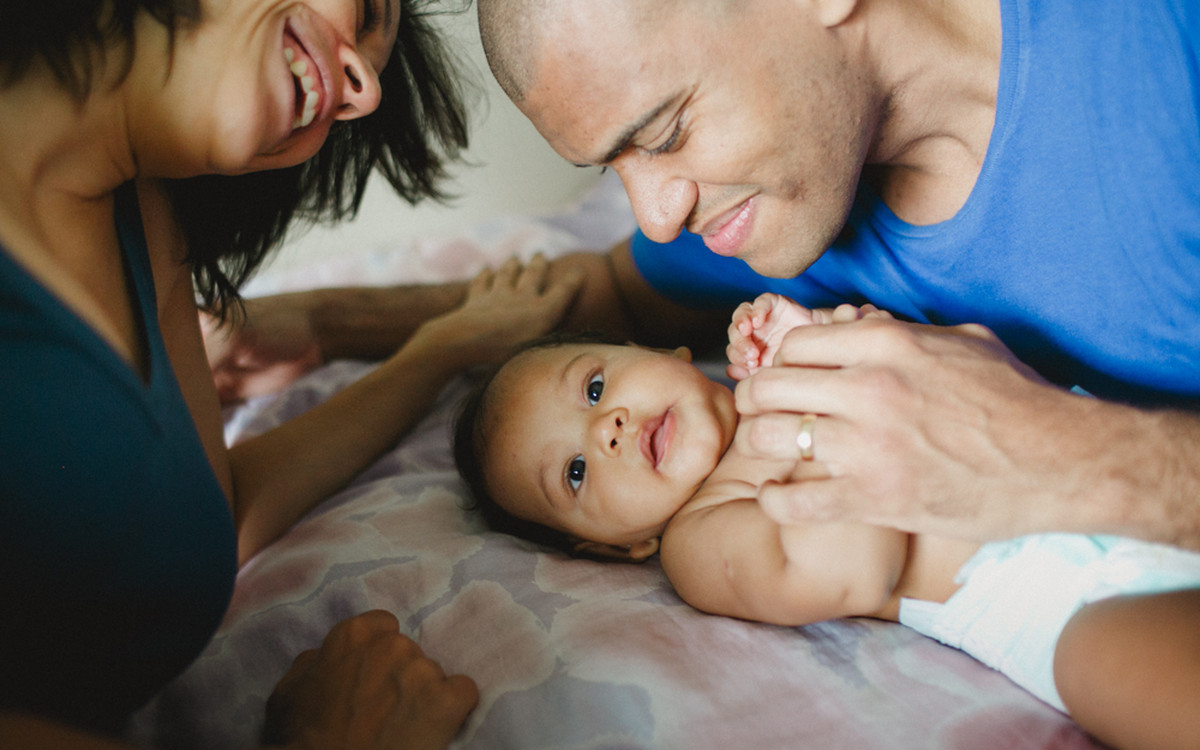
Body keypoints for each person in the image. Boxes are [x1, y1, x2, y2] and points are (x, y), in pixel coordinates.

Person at [207, 0, 1200, 555]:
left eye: (665, 132)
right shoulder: (777, 200)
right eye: (616, 169)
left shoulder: (1163, 63)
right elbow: (603, 296)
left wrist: (1065, 456)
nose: (656, 211)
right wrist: (320, 320)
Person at [0, 1, 584, 747]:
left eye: (369, 77)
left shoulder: (143, 213)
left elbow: (212, 512)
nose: (363, 95)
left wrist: (437, 350)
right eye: (369, 8)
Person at [453, 293, 1200, 750]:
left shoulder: (784, 368)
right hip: (1047, 598)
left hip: (1102, 462)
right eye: (576, 474)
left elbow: (959, 373)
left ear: (660, 350)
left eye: (592, 387)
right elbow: (853, 565)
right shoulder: (698, 541)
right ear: (619, 547)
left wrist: (848, 338)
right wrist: (827, 390)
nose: (606, 431)